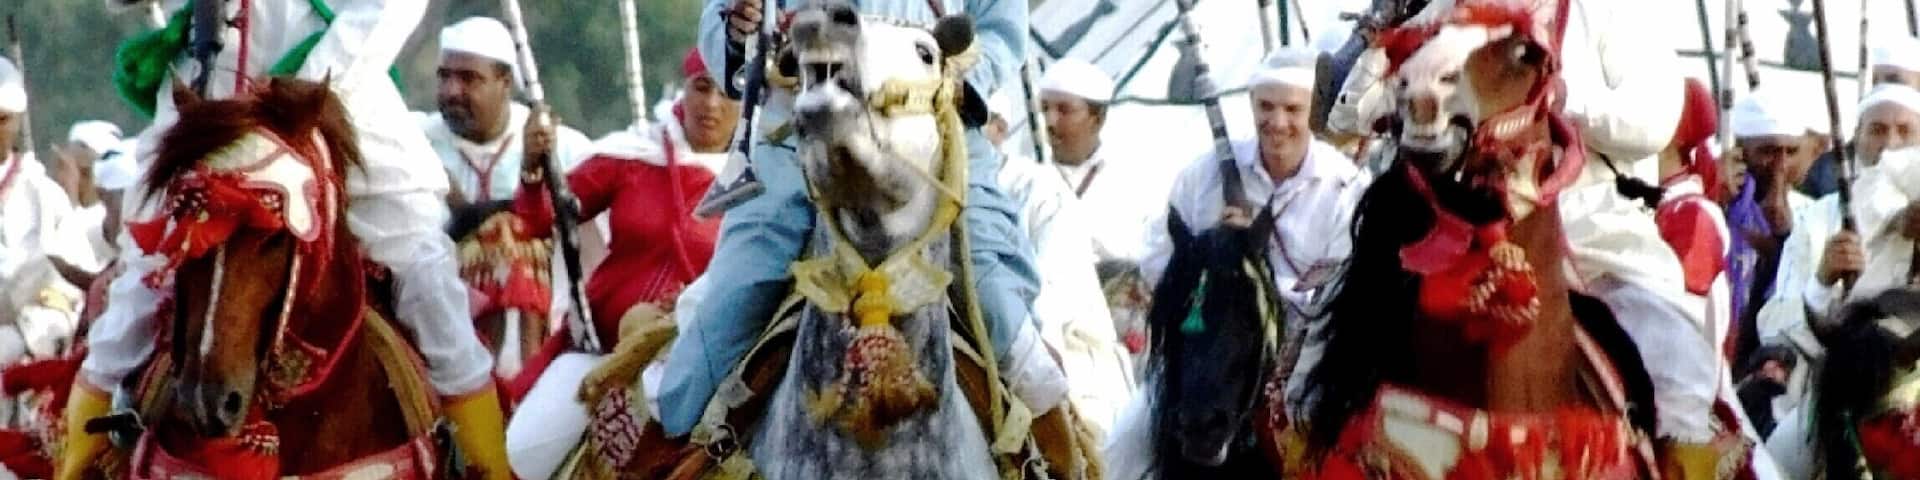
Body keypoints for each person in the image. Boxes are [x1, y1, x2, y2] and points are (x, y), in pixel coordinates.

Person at [65, 2, 510, 478]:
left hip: (341, 101)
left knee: (429, 287)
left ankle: (487, 467)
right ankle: (77, 464)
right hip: (206, 98)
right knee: (137, 291)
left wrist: (300, 94)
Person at [659, 0, 1067, 441]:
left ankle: (1060, 456)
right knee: (735, 296)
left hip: (937, 137)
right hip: (797, 136)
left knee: (995, 300)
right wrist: (740, 33)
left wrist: (954, 82)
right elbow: (726, 24)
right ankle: (664, 449)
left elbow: (1001, 33)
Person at [503, 48, 740, 479]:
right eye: (701, 87)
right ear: (683, 90)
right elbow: (542, 218)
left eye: (727, 93)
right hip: (603, 354)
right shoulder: (634, 155)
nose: (711, 104)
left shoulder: (761, 181)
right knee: (523, 452)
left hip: (700, 369)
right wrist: (532, 168)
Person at [1138, 46, 1369, 434]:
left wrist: (1256, 283)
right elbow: (1156, 261)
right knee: (1125, 446)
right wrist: (1212, 252)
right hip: (1205, 368)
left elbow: (1338, 295)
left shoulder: (1345, 189)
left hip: (1305, 370)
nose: (1277, 122)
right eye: (1266, 107)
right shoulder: (1204, 175)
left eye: (1292, 109)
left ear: (1312, 112)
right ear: (1251, 104)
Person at [985, 87, 1133, 439]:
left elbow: (1053, 286)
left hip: (1068, 362)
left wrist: (1029, 358)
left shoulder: (1037, 186)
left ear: (1000, 128)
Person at [419, 17, 593, 207]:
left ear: (506, 83)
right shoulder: (417, 145)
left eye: (468, 78)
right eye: (444, 76)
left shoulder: (565, 150)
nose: (451, 91)